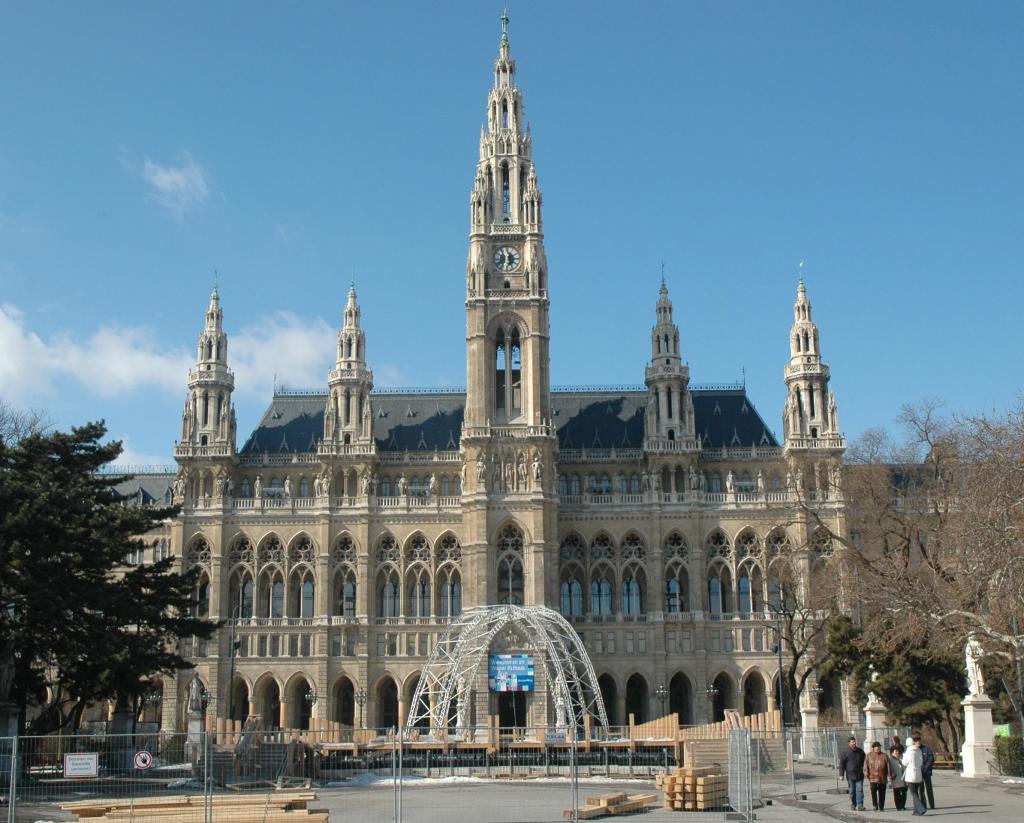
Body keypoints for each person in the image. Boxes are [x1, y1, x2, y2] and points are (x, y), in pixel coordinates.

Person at [838, 736, 867, 811]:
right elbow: (841, 764)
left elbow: (865, 761)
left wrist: (865, 770)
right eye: (852, 742)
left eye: (854, 741)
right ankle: (853, 804)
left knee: (860, 790)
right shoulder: (845, 752)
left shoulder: (860, 751)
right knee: (852, 791)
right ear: (849, 743)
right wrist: (841, 774)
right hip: (850, 776)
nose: (854, 743)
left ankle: (860, 805)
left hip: (859, 775)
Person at [902, 735, 926, 815]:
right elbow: (921, 762)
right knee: (916, 792)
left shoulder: (908, 751)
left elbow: (904, 763)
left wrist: (903, 756)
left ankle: (921, 808)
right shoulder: (919, 750)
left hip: (910, 775)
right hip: (918, 774)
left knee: (913, 793)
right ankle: (916, 811)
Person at [865, 741, 891, 811]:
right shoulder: (869, 755)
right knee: (873, 791)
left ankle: (881, 806)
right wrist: (866, 773)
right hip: (872, 777)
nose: (878, 748)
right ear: (873, 748)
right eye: (876, 747)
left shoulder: (884, 755)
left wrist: (889, 775)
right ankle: (875, 805)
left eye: (879, 747)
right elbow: (865, 765)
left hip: (882, 777)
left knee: (882, 792)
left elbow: (888, 766)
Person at [917, 735, 936, 809]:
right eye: (916, 741)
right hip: (919, 773)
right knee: (921, 789)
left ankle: (932, 804)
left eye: (919, 740)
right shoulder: (914, 750)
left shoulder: (926, 749)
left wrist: (925, 768)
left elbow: (931, 759)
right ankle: (923, 805)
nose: (918, 742)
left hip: (926, 772)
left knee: (929, 789)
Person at [889, 743, 908, 811]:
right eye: (895, 752)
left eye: (898, 751)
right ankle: (898, 806)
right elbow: (889, 770)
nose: (897, 753)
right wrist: (891, 777)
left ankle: (903, 805)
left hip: (903, 779)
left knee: (904, 793)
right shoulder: (890, 760)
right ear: (892, 753)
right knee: (897, 794)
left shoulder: (901, 759)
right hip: (896, 779)